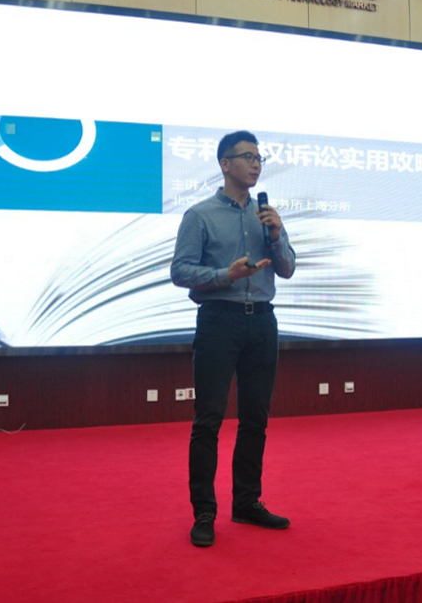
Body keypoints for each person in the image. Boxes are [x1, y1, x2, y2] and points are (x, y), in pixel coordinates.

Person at [170, 130, 297, 548]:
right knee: (208, 420)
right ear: (225, 164)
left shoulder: (267, 216)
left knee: (255, 419)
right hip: (218, 322)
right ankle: (204, 513)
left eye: (260, 158)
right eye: (247, 157)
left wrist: (276, 236)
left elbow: (287, 269)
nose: (256, 164)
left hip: (262, 323)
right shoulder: (200, 215)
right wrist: (226, 274)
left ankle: (246, 502)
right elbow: (180, 271)